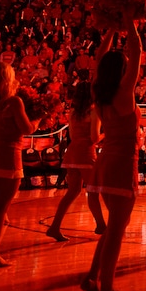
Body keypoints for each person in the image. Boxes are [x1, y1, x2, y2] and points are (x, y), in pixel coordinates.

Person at [82, 16, 142, 291]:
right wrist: (128, 19)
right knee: (117, 231)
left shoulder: (98, 92)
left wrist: (112, 28)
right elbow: (138, 51)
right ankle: (107, 289)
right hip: (122, 165)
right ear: (121, 71)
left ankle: (93, 277)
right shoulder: (124, 92)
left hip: (105, 164)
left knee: (113, 227)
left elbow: (98, 59)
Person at [0, 62, 36, 268]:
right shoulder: (13, 102)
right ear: (7, 79)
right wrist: (38, 119)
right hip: (8, 156)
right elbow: (27, 129)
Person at [46, 81, 106, 241]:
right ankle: (101, 225)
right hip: (86, 154)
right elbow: (93, 138)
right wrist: (104, 135)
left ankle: (55, 226)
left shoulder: (73, 112)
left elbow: (72, 136)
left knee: (72, 192)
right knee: (93, 191)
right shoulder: (94, 112)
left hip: (72, 153)